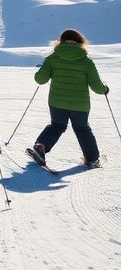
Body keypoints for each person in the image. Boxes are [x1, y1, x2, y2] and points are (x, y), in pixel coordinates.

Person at [29, 29, 110, 169]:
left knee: (57, 125)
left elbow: (40, 79)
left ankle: (41, 146)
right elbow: (97, 86)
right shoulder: (86, 61)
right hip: (80, 104)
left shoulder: (52, 58)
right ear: (80, 42)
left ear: (61, 41)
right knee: (82, 129)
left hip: (57, 102)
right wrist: (105, 89)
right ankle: (92, 159)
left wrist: (42, 70)